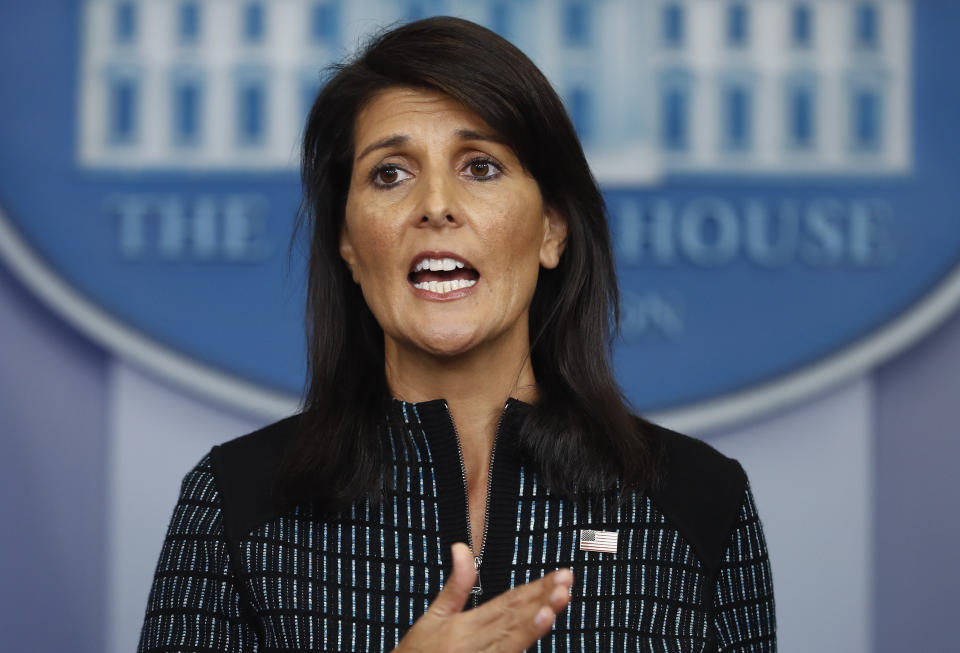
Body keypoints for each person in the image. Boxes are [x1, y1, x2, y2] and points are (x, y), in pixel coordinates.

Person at [138, 16, 775, 653]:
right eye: (390, 173)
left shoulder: (699, 499)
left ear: (552, 228)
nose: (436, 204)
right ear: (348, 244)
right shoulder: (236, 499)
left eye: (480, 167)